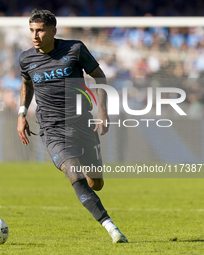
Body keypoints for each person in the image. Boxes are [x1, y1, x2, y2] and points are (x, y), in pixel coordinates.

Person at [17, 9, 128, 243]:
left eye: (40, 30)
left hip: (82, 125)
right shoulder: (26, 58)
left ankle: (90, 184)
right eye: (32, 31)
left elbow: (99, 76)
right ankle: (111, 227)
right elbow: (27, 85)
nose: (34, 36)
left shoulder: (75, 49)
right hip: (52, 128)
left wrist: (102, 110)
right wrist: (22, 112)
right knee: (73, 173)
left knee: (96, 183)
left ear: (53, 31)